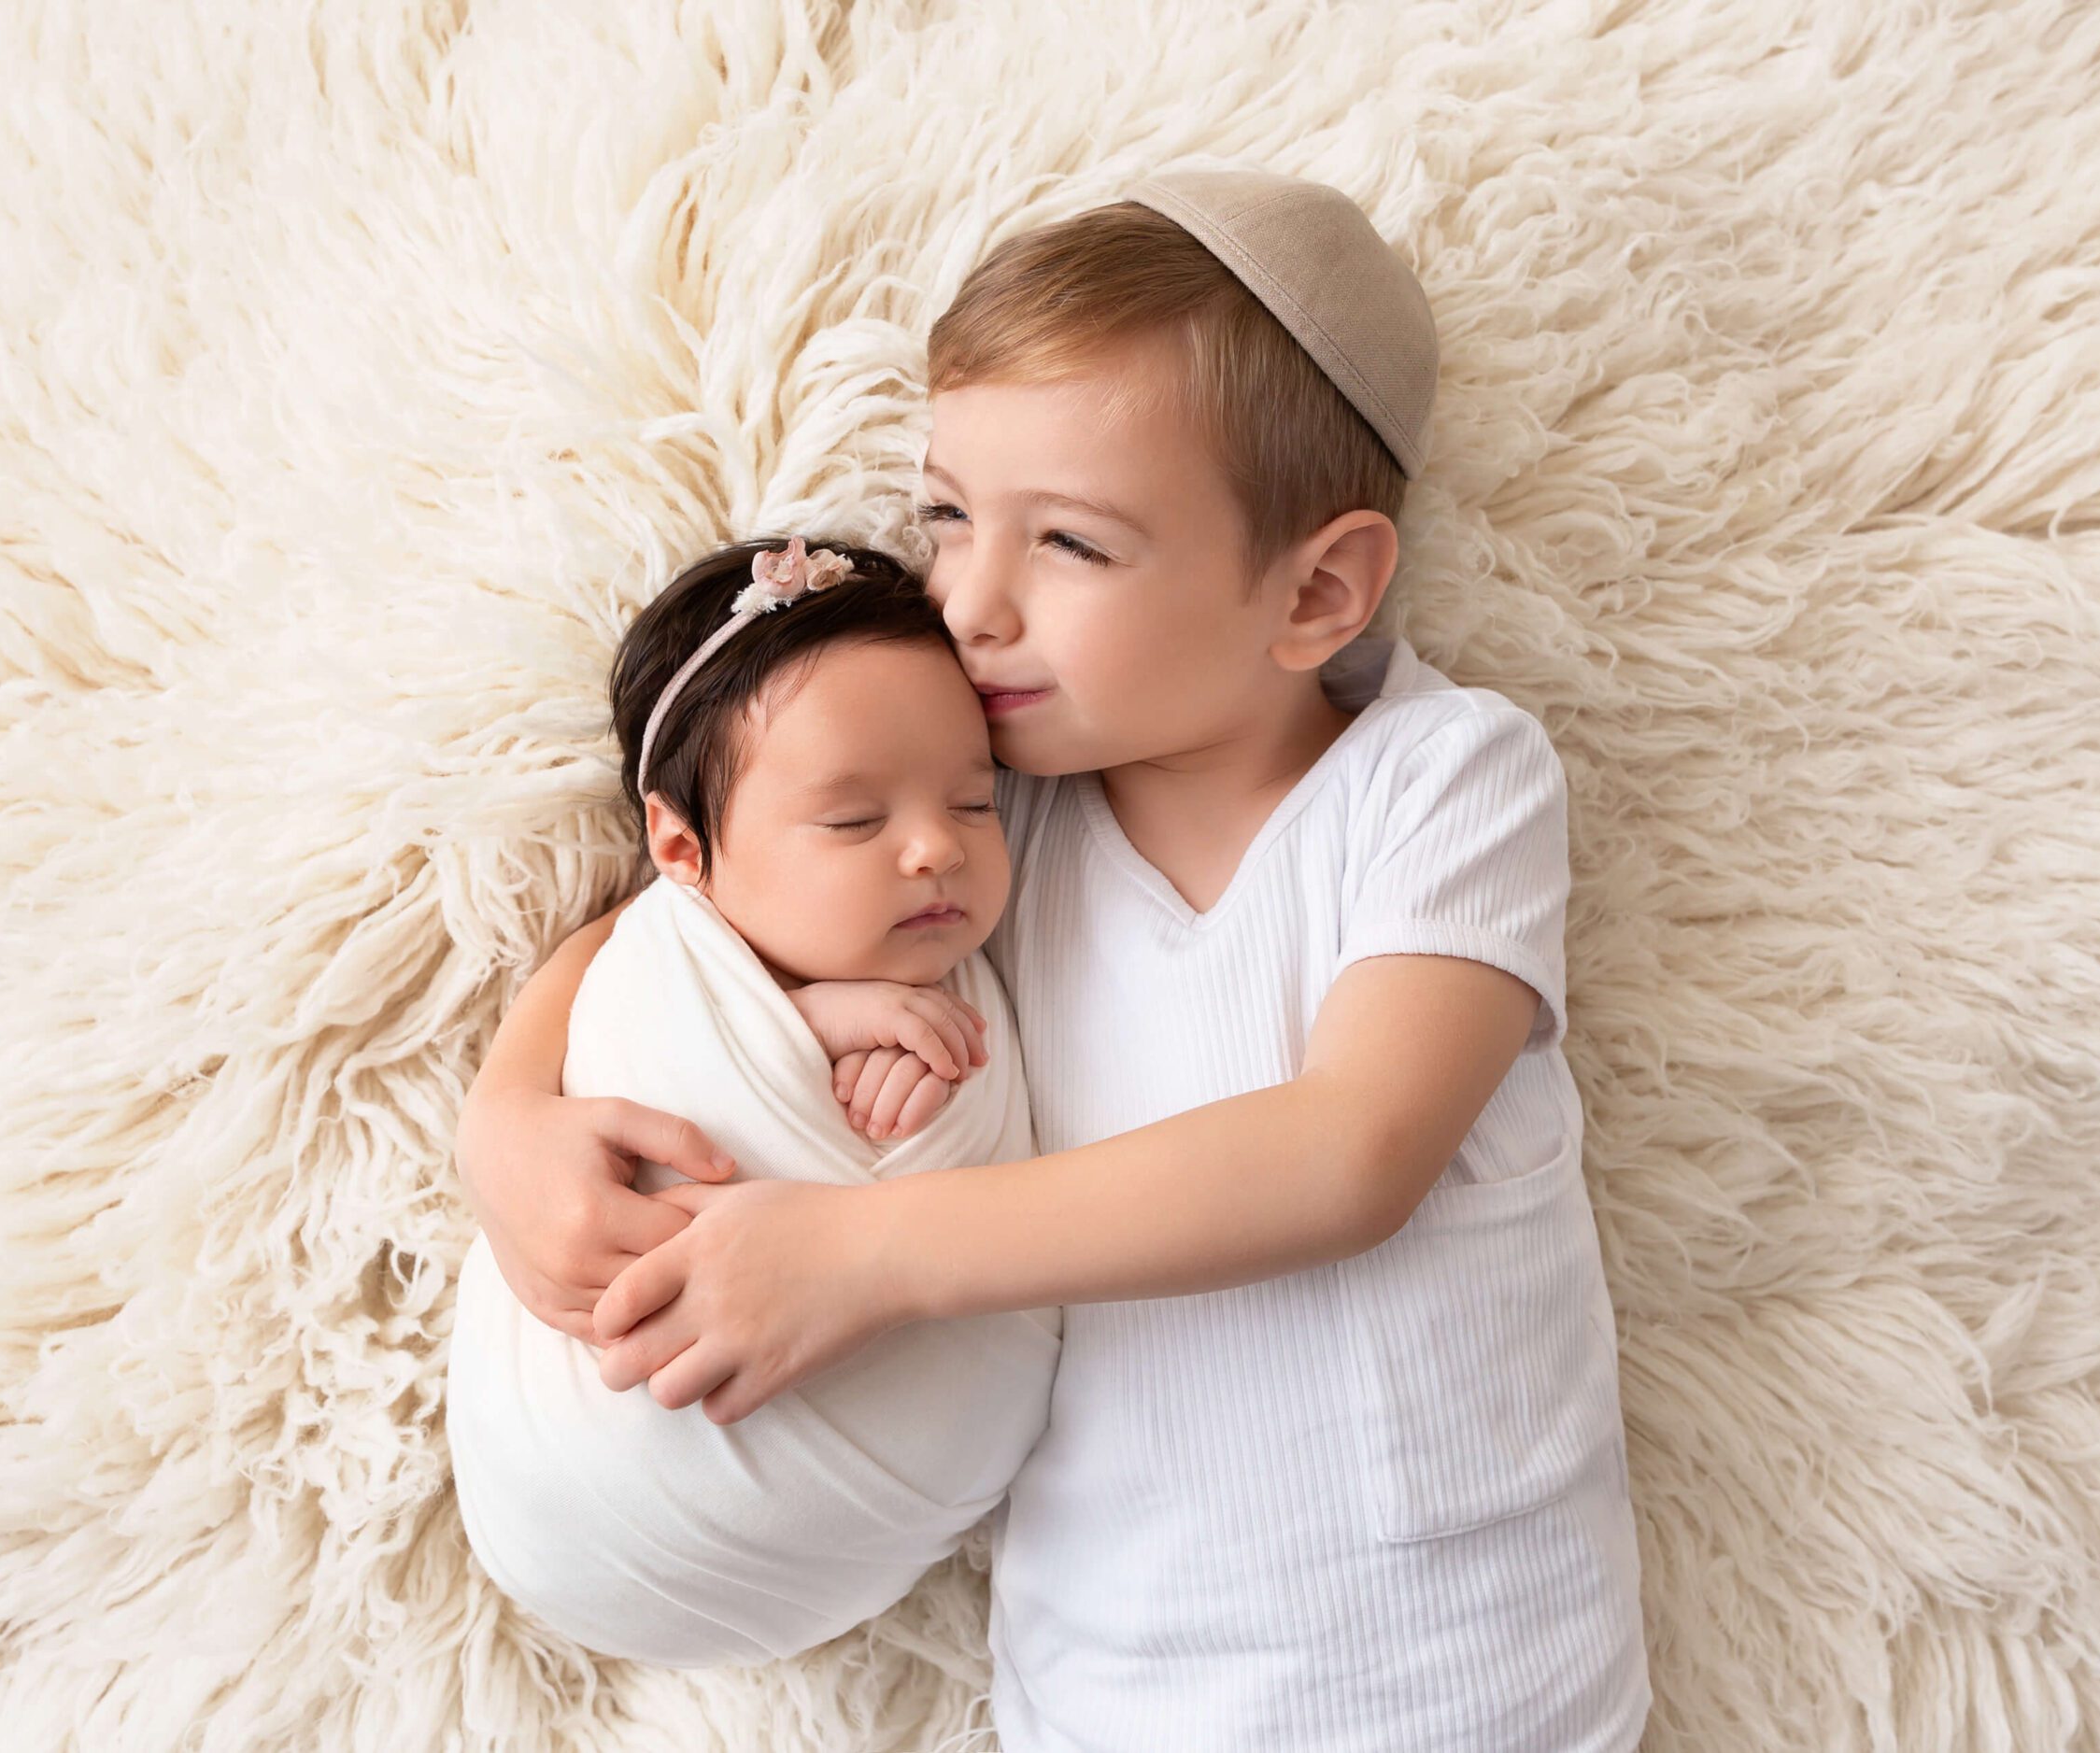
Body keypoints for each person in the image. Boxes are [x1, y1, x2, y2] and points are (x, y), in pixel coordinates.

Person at [453, 168, 1651, 1750]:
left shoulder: (1438, 782)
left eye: (1070, 543)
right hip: (1115, 1682)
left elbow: (1350, 1152)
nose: (967, 600)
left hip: (1464, 1671)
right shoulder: (985, 818)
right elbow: (675, 908)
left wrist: (862, 1253)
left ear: (1316, 590)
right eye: (948, 514)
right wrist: (508, 1115)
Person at [446, 536, 1061, 1668]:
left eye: (976, 801)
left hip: (866, 1527)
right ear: (682, 846)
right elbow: (643, 998)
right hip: (581, 1486)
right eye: (853, 822)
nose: (938, 847)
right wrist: (801, 1022)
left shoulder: (972, 974)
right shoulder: (659, 965)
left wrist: (899, 1056)